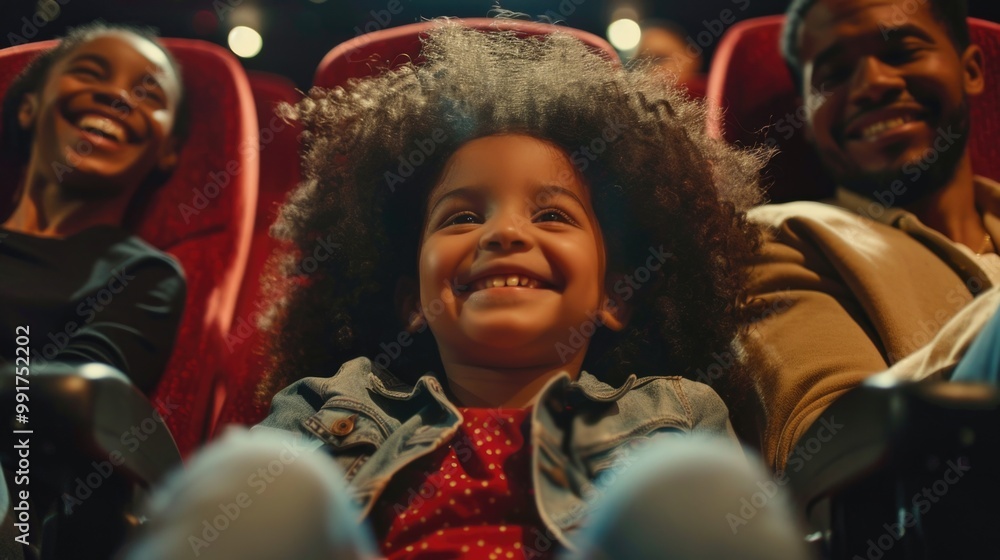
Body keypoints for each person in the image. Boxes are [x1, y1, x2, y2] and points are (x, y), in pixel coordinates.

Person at [121, 20, 810, 560]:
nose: (504, 235)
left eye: (551, 215)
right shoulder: (331, 406)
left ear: (616, 297)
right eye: (462, 217)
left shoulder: (676, 412)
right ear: (409, 303)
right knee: (260, 479)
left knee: (694, 486)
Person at [745, 0, 1000, 470]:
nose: (872, 84)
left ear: (972, 70)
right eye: (834, 75)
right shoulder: (778, 239)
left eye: (901, 51)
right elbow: (827, 456)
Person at [0, 22, 188, 394]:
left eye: (149, 95)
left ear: (168, 152)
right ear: (28, 107)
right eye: (87, 73)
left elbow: (56, 410)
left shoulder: (142, 276)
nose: (117, 95)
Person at [635, 20, 706, 97]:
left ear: (692, 56)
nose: (653, 69)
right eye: (642, 61)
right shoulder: (639, 98)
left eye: (660, 58)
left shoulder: (716, 93)